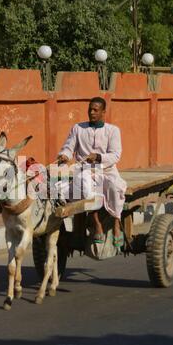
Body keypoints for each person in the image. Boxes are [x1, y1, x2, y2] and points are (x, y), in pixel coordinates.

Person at [57, 96, 126, 247]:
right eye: (90, 109)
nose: (92, 112)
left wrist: (98, 157)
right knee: (85, 186)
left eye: (96, 110)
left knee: (115, 188)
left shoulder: (113, 131)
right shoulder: (78, 128)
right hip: (84, 170)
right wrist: (65, 155)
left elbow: (115, 155)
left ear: (103, 112)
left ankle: (116, 223)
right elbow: (69, 146)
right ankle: (97, 224)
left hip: (106, 170)